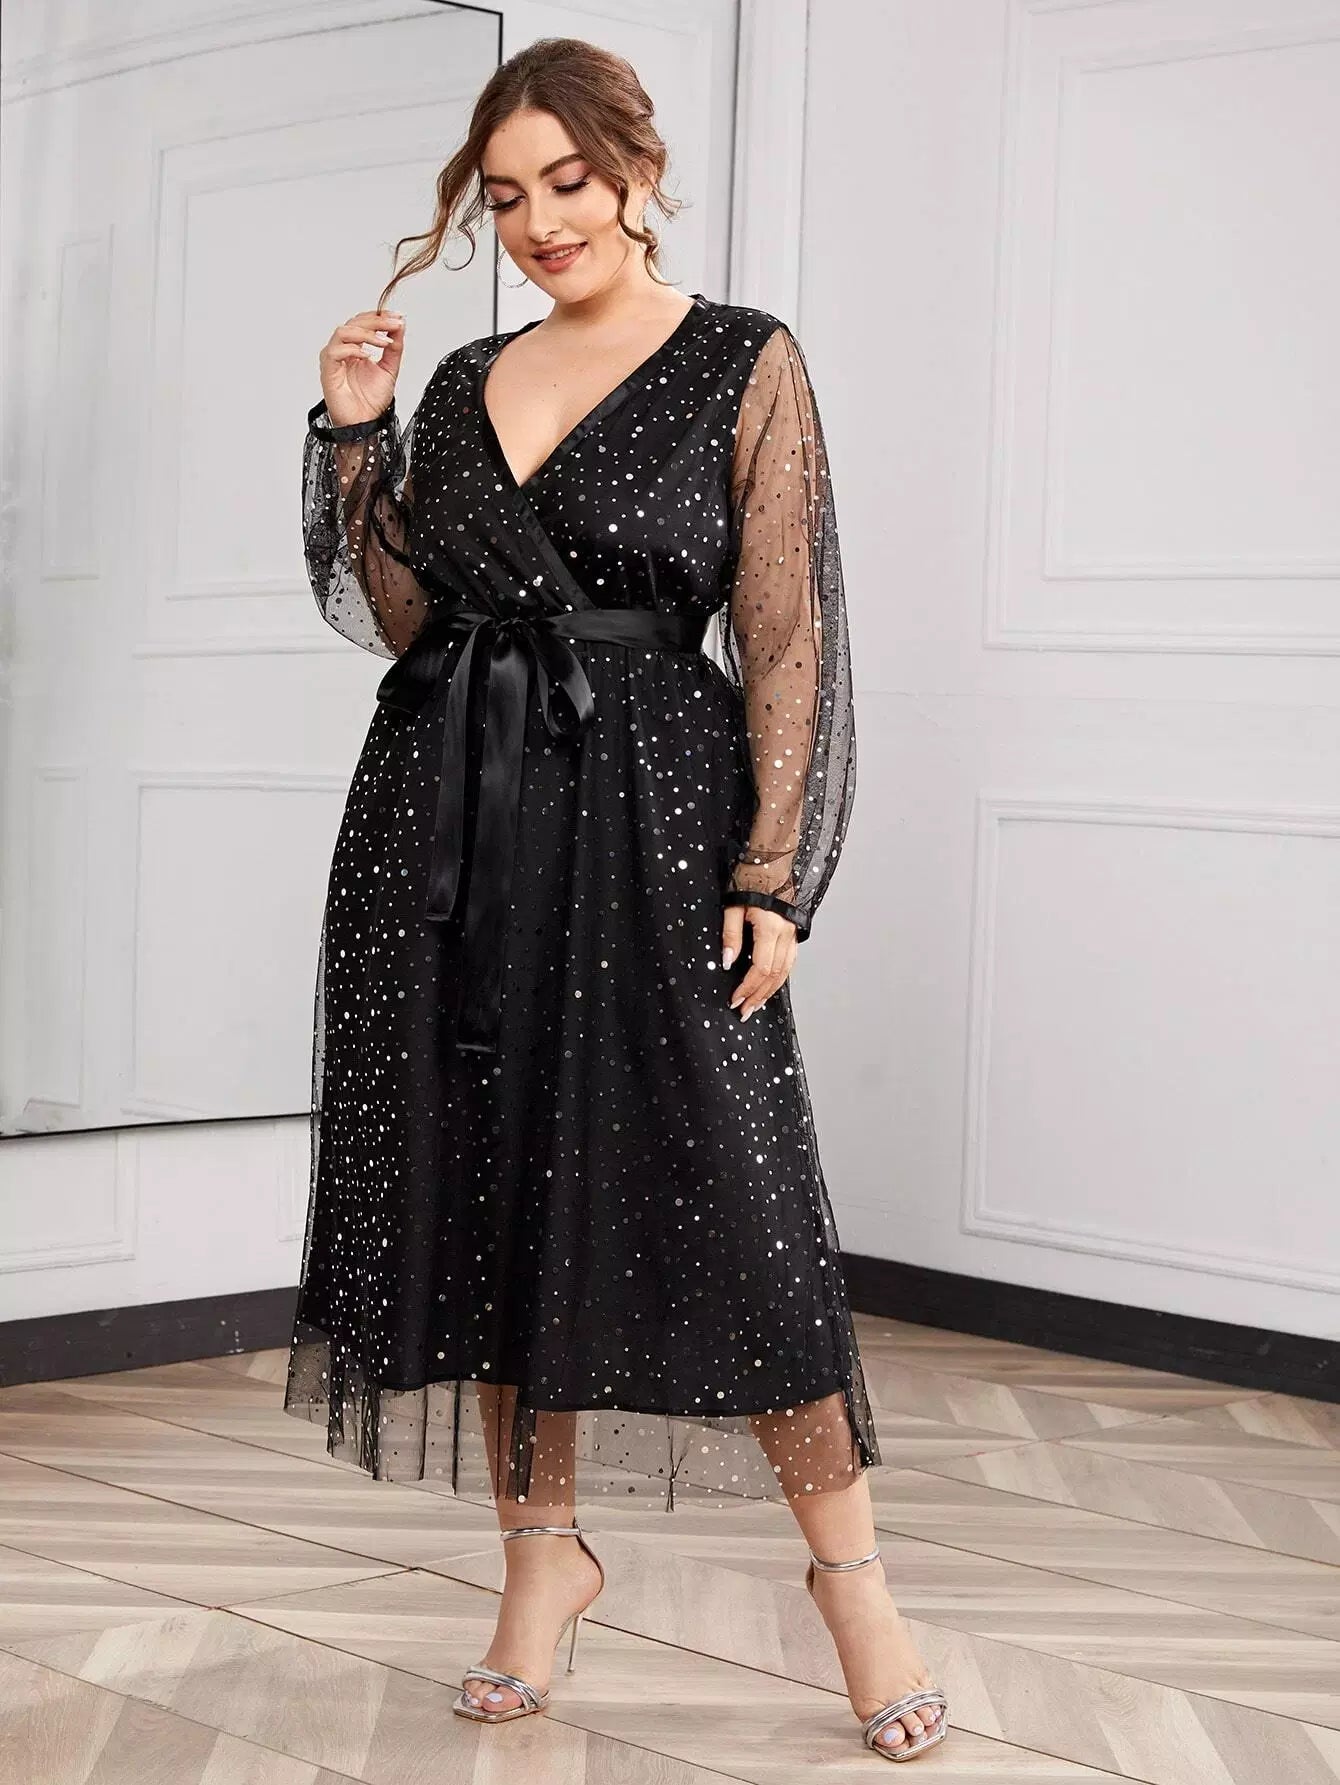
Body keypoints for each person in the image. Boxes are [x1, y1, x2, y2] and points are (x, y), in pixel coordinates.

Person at [282, 34, 948, 1765]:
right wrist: (354, 431)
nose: (539, 223)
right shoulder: (462, 378)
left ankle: (856, 1589)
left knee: (743, 1198)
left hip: (657, 818)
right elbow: (404, 617)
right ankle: (540, 1567)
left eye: (567, 182)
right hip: (452, 816)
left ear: (638, 172)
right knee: (500, 1191)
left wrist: (774, 873)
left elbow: (790, 631)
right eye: (507, 198)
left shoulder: (742, 356)